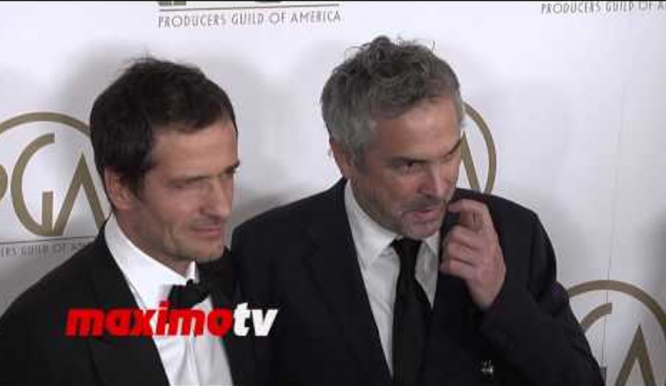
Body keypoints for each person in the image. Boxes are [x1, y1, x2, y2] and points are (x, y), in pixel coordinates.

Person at [232, 36, 604, 385]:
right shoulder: (269, 252)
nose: (439, 188)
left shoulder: (514, 234)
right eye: (409, 166)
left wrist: (503, 299)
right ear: (345, 156)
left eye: (449, 155)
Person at [0, 58, 254, 385]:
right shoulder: (36, 338)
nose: (222, 206)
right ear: (120, 187)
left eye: (228, 174)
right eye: (188, 184)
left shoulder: (247, 277)